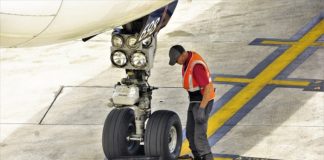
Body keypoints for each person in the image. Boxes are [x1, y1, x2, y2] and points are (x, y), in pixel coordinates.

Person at [169, 45, 215, 160]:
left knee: (199, 136)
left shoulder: (196, 65)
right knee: (190, 133)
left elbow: (208, 88)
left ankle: (207, 157)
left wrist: (202, 109)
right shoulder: (186, 61)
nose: (177, 63)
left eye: (177, 60)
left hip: (203, 102)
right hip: (194, 101)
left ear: (183, 55)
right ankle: (198, 157)